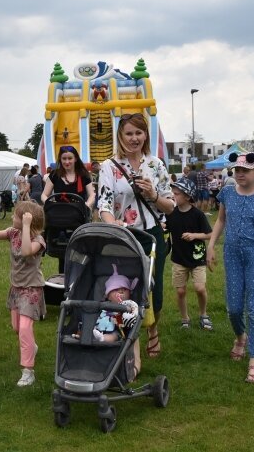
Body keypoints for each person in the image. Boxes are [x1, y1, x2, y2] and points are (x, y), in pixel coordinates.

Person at [97, 113, 175, 359]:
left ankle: (153, 328)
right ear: (120, 136)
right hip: (123, 236)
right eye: (129, 133)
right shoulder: (109, 166)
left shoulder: (156, 165)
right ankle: (129, 337)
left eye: (138, 133)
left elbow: (170, 206)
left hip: (151, 234)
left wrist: (153, 194)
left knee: (154, 289)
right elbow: (104, 205)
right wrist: (114, 226)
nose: (134, 138)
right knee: (123, 288)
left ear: (146, 135)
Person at [207, 152, 254, 384]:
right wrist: (211, 245)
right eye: (236, 170)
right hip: (232, 254)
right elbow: (220, 220)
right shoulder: (227, 193)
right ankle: (241, 337)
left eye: (245, 170)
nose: (239, 174)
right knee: (234, 308)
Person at [0, 201, 46, 387]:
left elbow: (26, 252)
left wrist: (26, 227)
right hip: (16, 288)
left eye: (16, 216)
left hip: (31, 290)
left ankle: (28, 371)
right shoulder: (13, 232)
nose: (12, 218)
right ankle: (31, 347)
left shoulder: (38, 241)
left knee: (25, 328)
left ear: (28, 220)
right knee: (18, 329)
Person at [166, 178, 213, 330]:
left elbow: (210, 234)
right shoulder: (171, 214)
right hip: (179, 259)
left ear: (187, 196)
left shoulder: (198, 214)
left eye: (177, 194)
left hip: (198, 259)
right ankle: (185, 318)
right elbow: (166, 228)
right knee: (180, 291)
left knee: (200, 288)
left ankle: (203, 315)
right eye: (173, 193)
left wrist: (194, 236)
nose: (174, 196)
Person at [91, 266, 139, 347]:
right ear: (108, 296)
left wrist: (120, 314)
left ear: (129, 293)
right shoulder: (103, 305)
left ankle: (102, 339)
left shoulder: (129, 305)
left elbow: (123, 324)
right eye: (116, 289)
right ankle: (90, 334)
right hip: (99, 326)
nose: (120, 291)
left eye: (124, 289)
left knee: (115, 335)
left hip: (117, 328)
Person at [41, 145, 95, 211]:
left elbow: (92, 194)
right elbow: (44, 195)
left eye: (70, 158)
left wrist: (87, 205)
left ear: (75, 159)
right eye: (64, 158)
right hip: (58, 213)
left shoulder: (83, 175)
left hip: (79, 214)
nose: (67, 162)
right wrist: (51, 204)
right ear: (60, 159)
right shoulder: (54, 174)